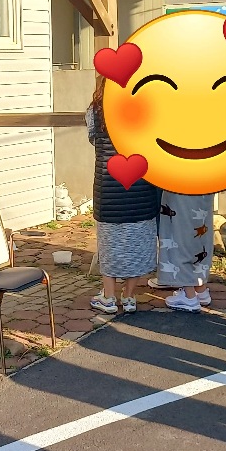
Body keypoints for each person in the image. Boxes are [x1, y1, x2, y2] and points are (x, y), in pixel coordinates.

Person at [86, 75, 159, 314]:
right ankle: (129, 298)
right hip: (141, 191)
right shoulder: (144, 110)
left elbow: (93, 139)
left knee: (109, 246)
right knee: (137, 245)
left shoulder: (95, 112)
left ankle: (108, 297)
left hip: (108, 191)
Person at [151, 192, 214, 311]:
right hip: (206, 187)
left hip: (180, 188)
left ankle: (189, 296)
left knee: (180, 233)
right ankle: (201, 290)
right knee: (199, 233)